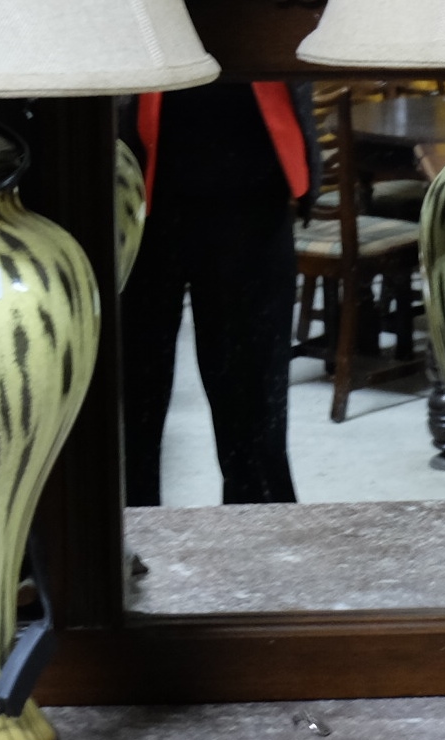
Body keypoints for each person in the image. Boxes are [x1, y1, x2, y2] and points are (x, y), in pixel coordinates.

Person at [121, 80, 311, 505]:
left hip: (254, 192)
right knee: (130, 401)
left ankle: (262, 544)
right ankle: (121, 548)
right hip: (135, 195)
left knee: (255, 402)